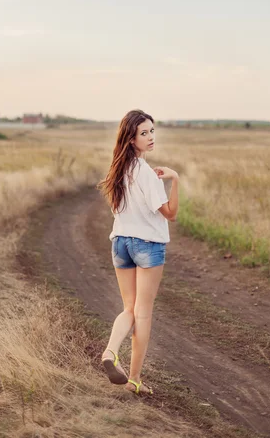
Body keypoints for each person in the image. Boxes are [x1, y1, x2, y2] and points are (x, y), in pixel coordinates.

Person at [96, 109, 179, 396]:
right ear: (131, 139)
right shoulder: (146, 173)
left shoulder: (118, 170)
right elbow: (170, 214)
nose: (150, 137)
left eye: (152, 131)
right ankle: (134, 380)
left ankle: (110, 351)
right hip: (147, 246)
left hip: (120, 243)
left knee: (129, 309)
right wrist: (175, 180)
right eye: (144, 133)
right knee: (142, 314)